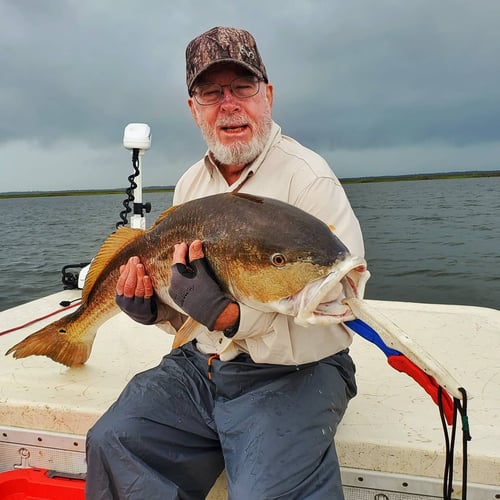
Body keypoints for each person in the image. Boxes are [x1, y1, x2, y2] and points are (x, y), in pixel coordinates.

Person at [86, 26, 365, 500]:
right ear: (194, 110)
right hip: (202, 365)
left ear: (268, 95)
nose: (229, 103)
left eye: (242, 87)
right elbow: (191, 308)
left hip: (297, 374)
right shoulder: (190, 187)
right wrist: (158, 310)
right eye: (211, 92)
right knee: (113, 440)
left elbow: (342, 300)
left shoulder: (310, 181)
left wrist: (233, 316)